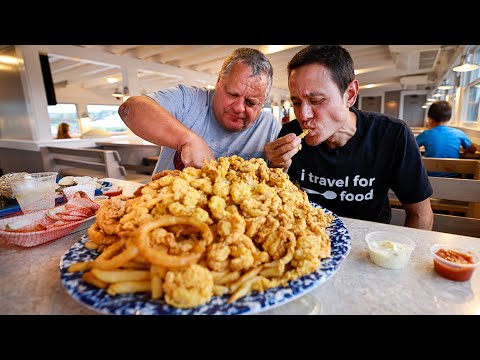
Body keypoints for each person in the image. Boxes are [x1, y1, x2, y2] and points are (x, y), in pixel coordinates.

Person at [265, 45, 433, 230]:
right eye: (296, 102)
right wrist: (276, 170)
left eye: (316, 100)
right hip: (312, 238)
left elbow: (420, 214)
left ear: (350, 95)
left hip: (370, 242)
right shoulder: (290, 134)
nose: (303, 115)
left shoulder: (392, 135)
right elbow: (273, 207)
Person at [118, 48, 281, 173]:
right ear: (219, 81)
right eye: (232, 94)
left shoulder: (269, 127)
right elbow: (129, 109)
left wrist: (280, 164)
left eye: (251, 102)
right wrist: (187, 140)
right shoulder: (189, 99)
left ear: (262, 102)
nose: (239, 108)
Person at [416, 100, 477, 177]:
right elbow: (473, 149)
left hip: (430, 177)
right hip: (455, 177)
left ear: (430, 119)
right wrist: (464, 149)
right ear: (449, 118)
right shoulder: (458, 133)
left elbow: (410, 147)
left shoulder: (426, 134)